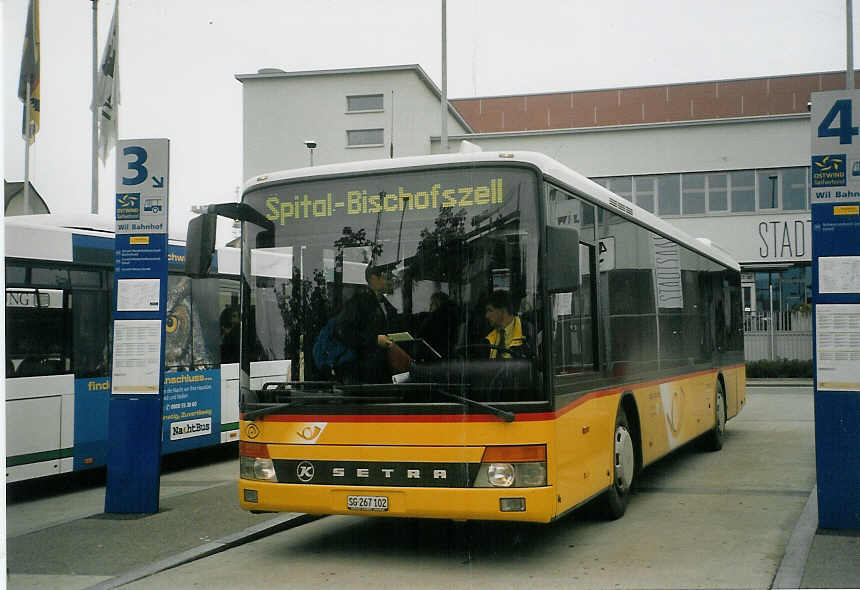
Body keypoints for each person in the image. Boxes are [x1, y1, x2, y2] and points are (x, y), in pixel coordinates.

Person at [336, 264, 400, 383]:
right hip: (364, 376)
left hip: (385, 372)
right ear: (373, 278)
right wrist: (374, 340)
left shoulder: (387, 305)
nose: (391, 281)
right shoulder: (357, 303)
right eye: (388, 277)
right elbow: (344, 333)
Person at [484, 290, 530, 359]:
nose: (486, 316)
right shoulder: (486, 334)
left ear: (503, 311)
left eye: (490, 310)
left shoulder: (527, 332)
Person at [417, 291, 459, 357]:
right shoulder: (450, 317)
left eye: (432, 304)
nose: (430, 307)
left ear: (438, 304)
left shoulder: (436, 319)